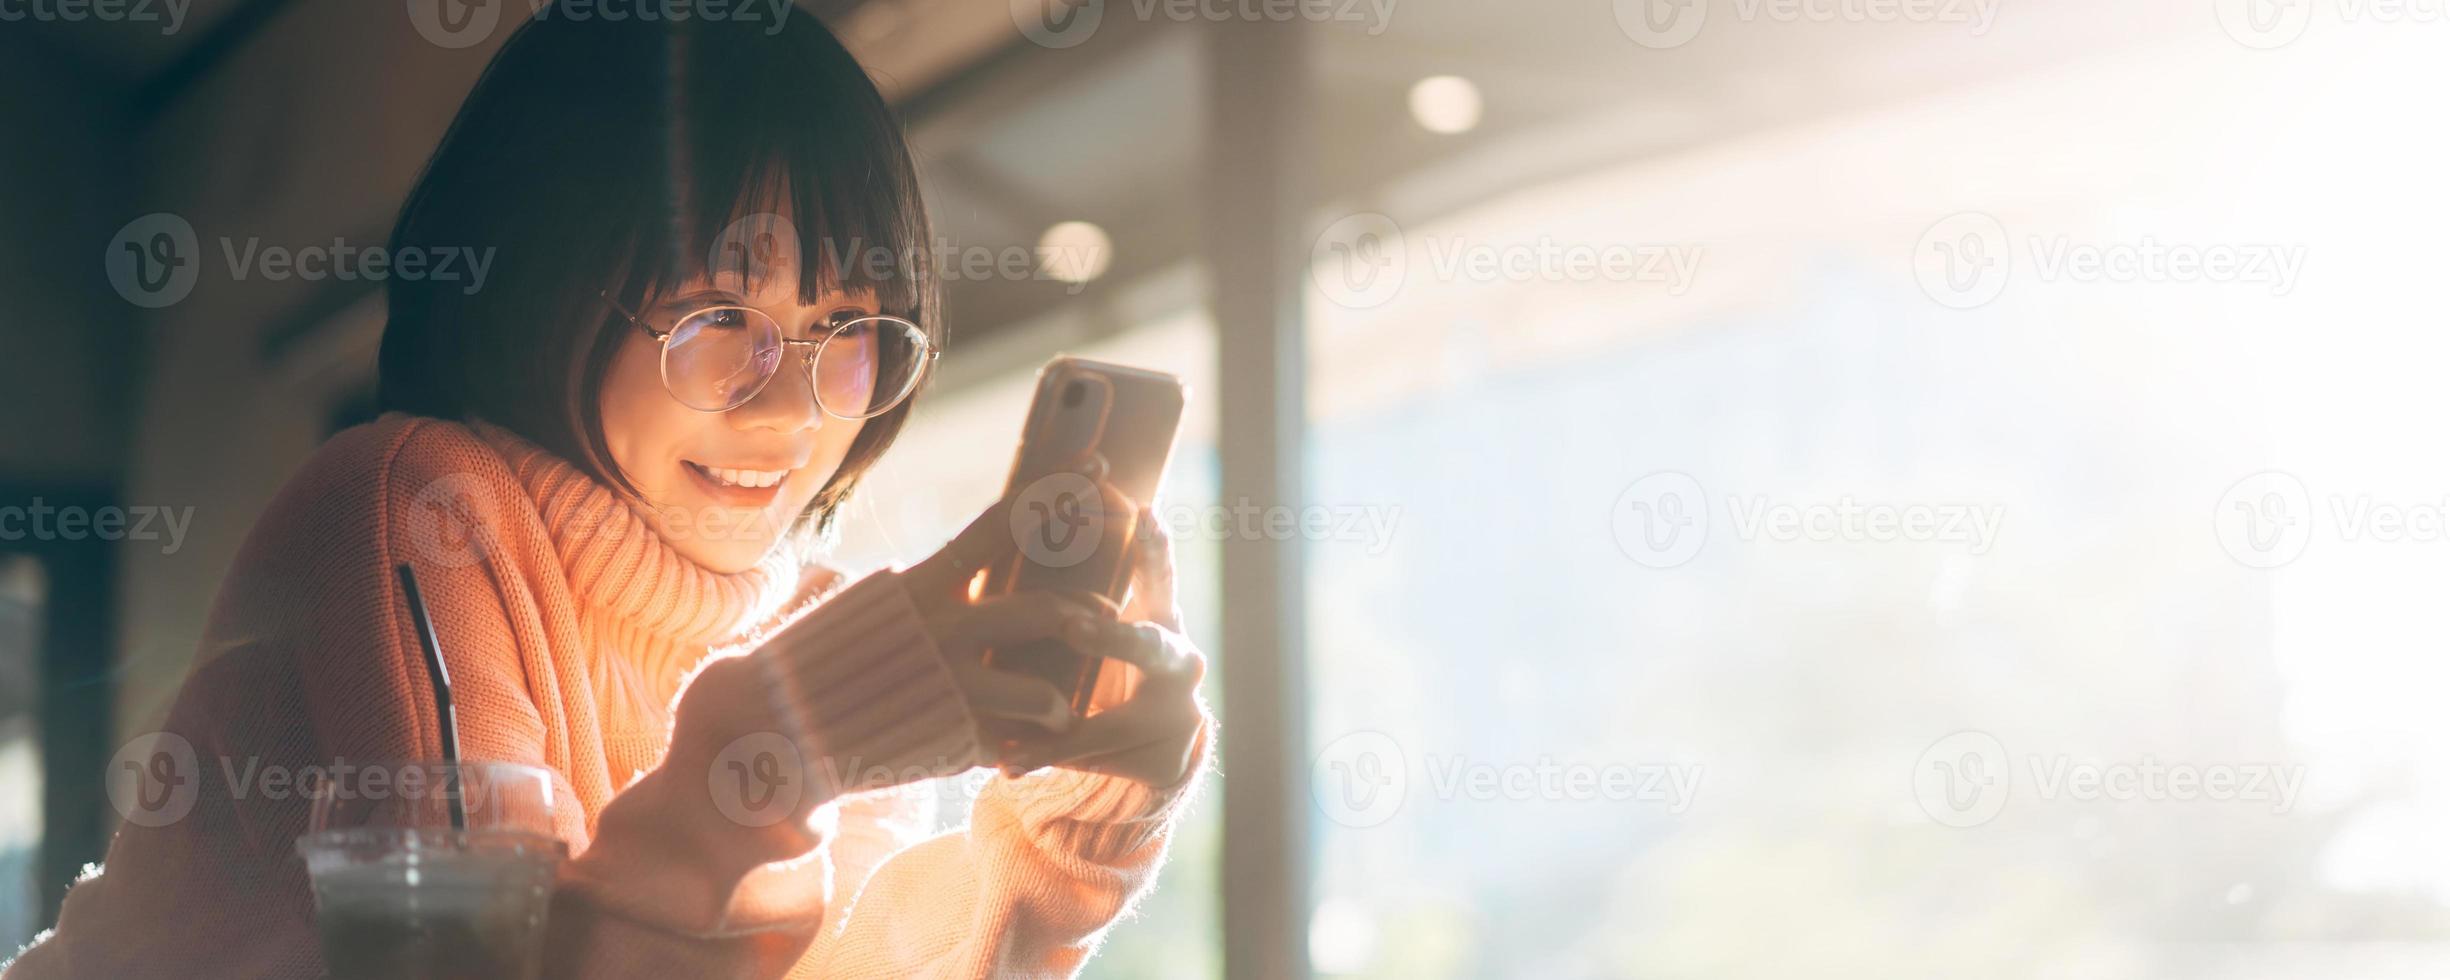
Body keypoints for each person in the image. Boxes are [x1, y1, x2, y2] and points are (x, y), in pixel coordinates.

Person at [4, 8, 1211, 978]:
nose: (789, 409)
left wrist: (1064, 839)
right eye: (717, 317)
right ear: (543, 289)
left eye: (843, 326)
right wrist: (772, 746)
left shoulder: (814, 628)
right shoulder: (415, 509)